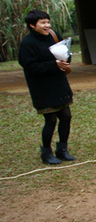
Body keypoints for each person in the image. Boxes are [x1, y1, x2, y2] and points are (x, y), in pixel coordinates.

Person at [18, 9, 75, 165]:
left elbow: (65, 51)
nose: (47, 25)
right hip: (42, 87)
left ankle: (62, 149)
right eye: (42, 22)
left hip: (59, 83)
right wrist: (53, 65)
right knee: (50, 120)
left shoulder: (53, 36)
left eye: (48, 21)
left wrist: (65, 60)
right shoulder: (27, 44)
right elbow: (29, 66)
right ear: (32, 25)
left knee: (66, 116)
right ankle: (46, 152)